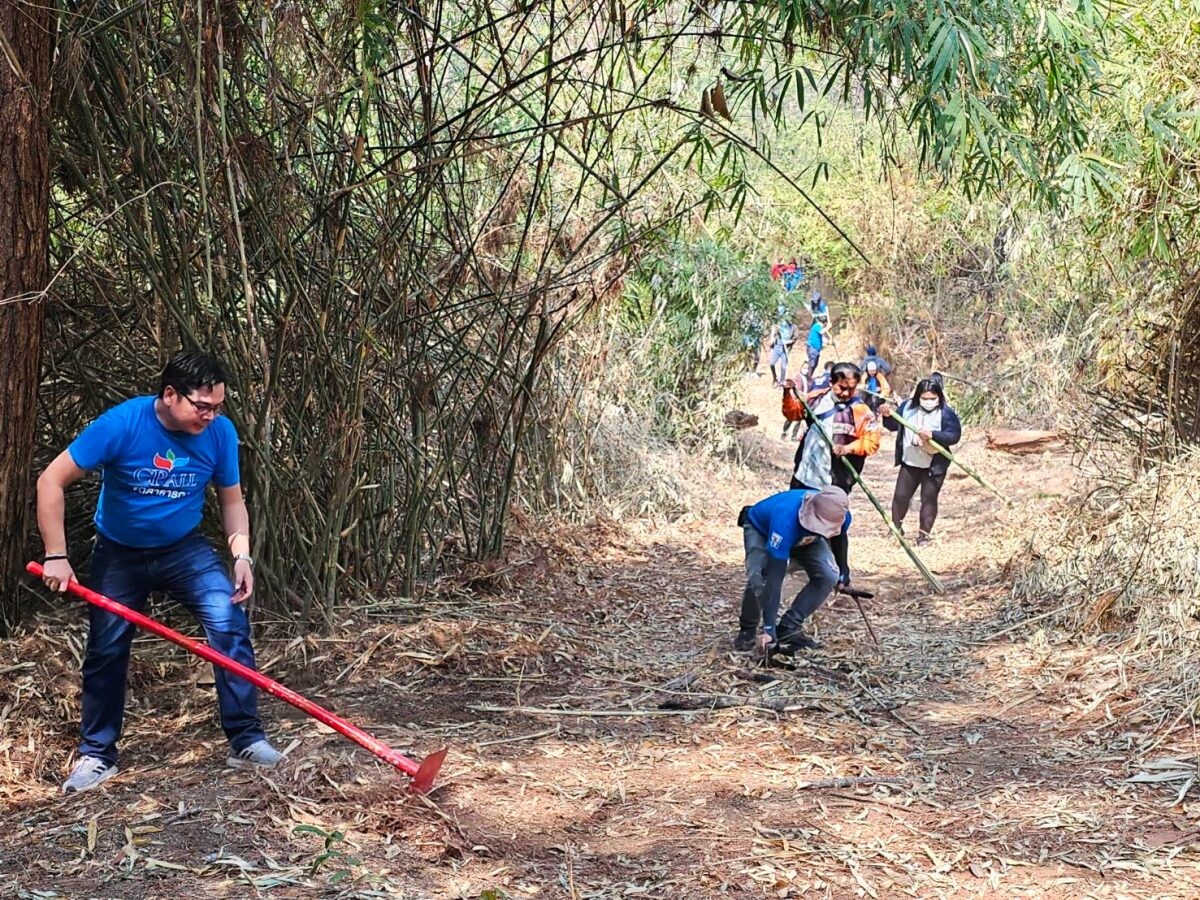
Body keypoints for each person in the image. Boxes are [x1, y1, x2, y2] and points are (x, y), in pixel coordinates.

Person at [37, 351, 282, 793]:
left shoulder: (220, 433)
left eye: (217, 407)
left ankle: (246, 740)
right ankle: (96, 754)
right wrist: (56, 554)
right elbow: (50, 481)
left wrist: (241, 557)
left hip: (183, 550)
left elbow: (231, 501)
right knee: (107, 649)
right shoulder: (122, 424)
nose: (210, 416)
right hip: (120, 553)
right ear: (170, 394)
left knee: (229, 624)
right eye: (201, 406)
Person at [734, 486, 852, 653]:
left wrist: (843, 573)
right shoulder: (785, 519)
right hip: (762, 530)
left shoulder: (841, 514)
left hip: (807, 537)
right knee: (762, 577)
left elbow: (840, 538)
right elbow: (775, 577)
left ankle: (788, 628)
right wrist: (768, 629)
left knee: (828, 575)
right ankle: (748, 629)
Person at [880, 378, 962, 545]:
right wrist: (887, 416)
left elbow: (954, 435)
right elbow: (892, 425)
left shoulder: (946, 413)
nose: (929, 402)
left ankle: (924, 535)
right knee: (901, 496)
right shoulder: (907, 408)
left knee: (929, 498)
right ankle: (896, 527)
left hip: (934, 464)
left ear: (939, 397)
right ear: (918, 397)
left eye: (933, 398)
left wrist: (933, 435)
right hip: (910, 461)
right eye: (925, 398)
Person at [792, 362, 881, 494]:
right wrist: (788, 394)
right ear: (831, 382)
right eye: (841, 387)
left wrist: (847, 448)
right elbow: (793, 413)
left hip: (835, 484)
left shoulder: (861, 411)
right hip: (802, 476)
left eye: (851, 389)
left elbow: (872, 442)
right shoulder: (815, 398)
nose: (846, 393)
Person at [780, 377, 808, 441]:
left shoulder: (801, 383)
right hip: (791, 404)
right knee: (789, 419)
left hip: (798, 403)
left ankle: (794, 436)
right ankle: (784, 432)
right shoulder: (789, 389)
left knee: (798, 419)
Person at [805, 314, 827, 378]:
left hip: (817, 349)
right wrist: (828, 327)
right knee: (812, 364)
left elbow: (822, 338)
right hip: (812, 348)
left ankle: (809, 377)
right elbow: (822, 332)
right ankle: (807, 378)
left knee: (815, 364)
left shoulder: (820, 327)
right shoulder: (817, 326)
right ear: (825, 322)